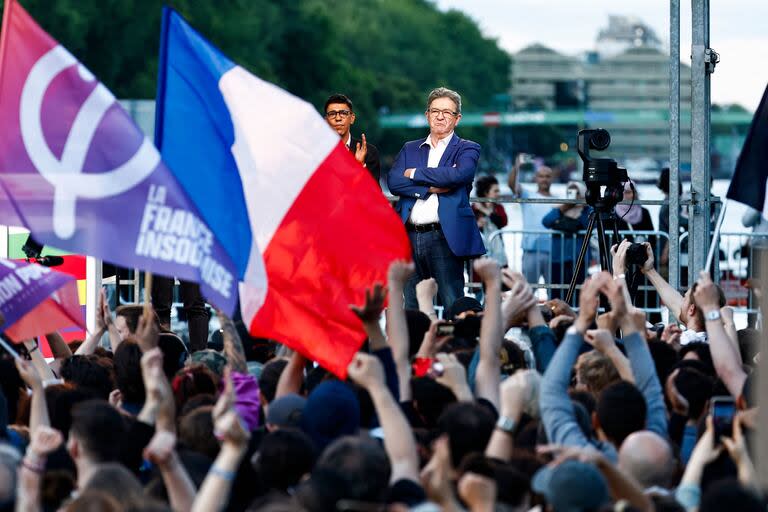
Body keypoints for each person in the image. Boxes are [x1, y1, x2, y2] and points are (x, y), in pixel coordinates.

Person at [387, 87, 485, 311]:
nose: (440, 116)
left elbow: (459, 174)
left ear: (457, 118)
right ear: (427, 115)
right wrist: (430, 187)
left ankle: (455, 347)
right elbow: (394, 182)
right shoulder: (409, 148)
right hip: (409, 236)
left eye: (447, 112)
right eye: (435, 111)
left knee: (453, 302)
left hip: (444, 236)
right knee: (412, 305)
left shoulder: (468, 148)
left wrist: (414, 173)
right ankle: (414, 347)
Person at [508, 158, 555, 285]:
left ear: (552, 178)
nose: (544, 179)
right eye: (541, 176)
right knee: (527, 291)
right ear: (536, 178)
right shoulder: (527, 195)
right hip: (531, 250)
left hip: (554, 252)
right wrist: (516, 166)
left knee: (555, 292)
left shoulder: (560, 199)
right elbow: (512, 185)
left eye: (547, 176)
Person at [542, 181, 591, 300]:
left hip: (579, 258)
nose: (574, 195)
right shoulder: (560, 207)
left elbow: (586, 224)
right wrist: (565, 207)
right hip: (558, 258)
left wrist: (581, 204)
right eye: (570, 191)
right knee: (557, 292)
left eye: (577, 192)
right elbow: (546, 221)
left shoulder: (587, 209)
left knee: (578, 292)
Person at [323, 93, 382, 187]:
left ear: (352, 118)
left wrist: (360, 165)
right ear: (326, 120)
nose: (338, 118)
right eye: (332, 114)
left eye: (343, 113)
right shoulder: (316, 152)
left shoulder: (369, 152)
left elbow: (374, 195)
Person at [472, 174, 508, 266]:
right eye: (496, 191)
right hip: (479, 255)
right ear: (486, 192)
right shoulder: (474, 208)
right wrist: (477, 225)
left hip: (498, 253)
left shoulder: (498, 207)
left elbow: (503, 222)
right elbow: (466, 229)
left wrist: (486, 211)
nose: (499, 194)